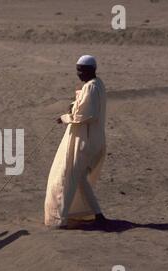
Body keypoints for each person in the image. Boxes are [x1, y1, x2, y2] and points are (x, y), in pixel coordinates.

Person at [44, 55, 107, 229]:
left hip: (85, 141)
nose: (78, 73)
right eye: (77, 70)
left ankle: (59, 219)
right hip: (92, 139)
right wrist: (75, 103)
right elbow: (85, 104)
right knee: (79, 178)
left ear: (91, 70)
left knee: (66, 176)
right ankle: (98, 214)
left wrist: (65, 118)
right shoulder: (96, 84)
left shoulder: (92, 87)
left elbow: (87, 115)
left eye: (82, 70)